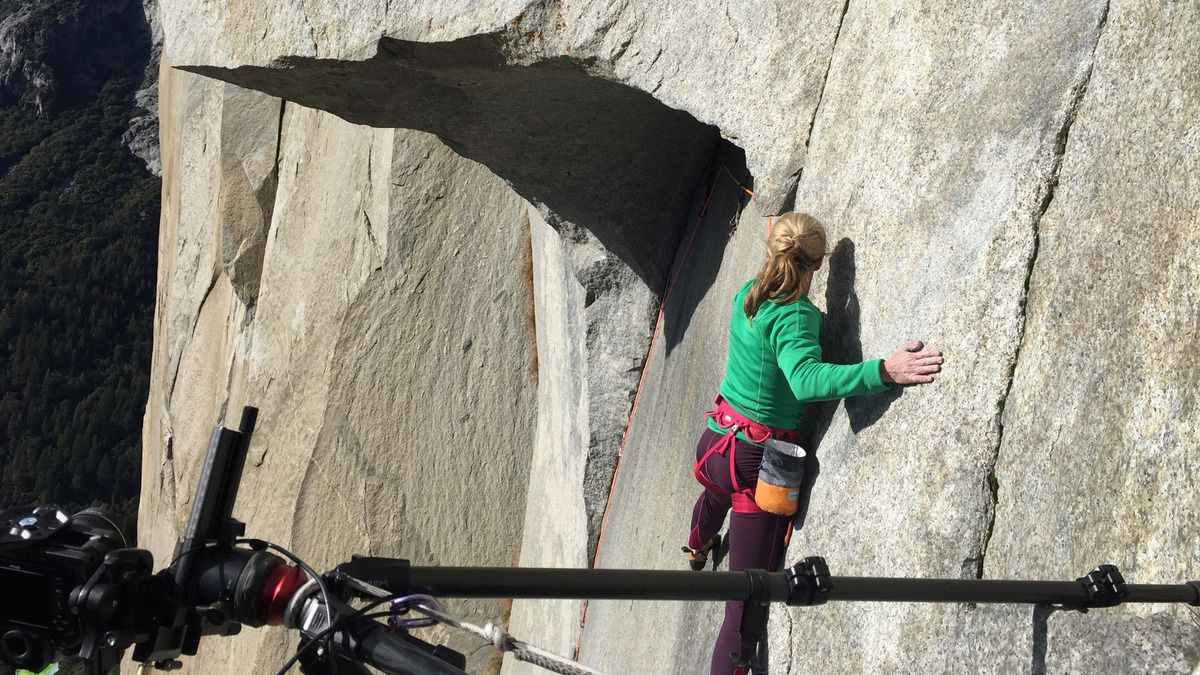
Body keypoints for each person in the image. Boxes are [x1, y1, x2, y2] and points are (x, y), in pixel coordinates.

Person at [683, 212, 943, 675]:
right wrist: (883, 371)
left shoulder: (749, 292)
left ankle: (696, 547)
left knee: (714, 498)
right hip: (754, 464)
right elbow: (805, 380)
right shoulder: (796, 315)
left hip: (717, 441)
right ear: (819, 265)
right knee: (745, 603)